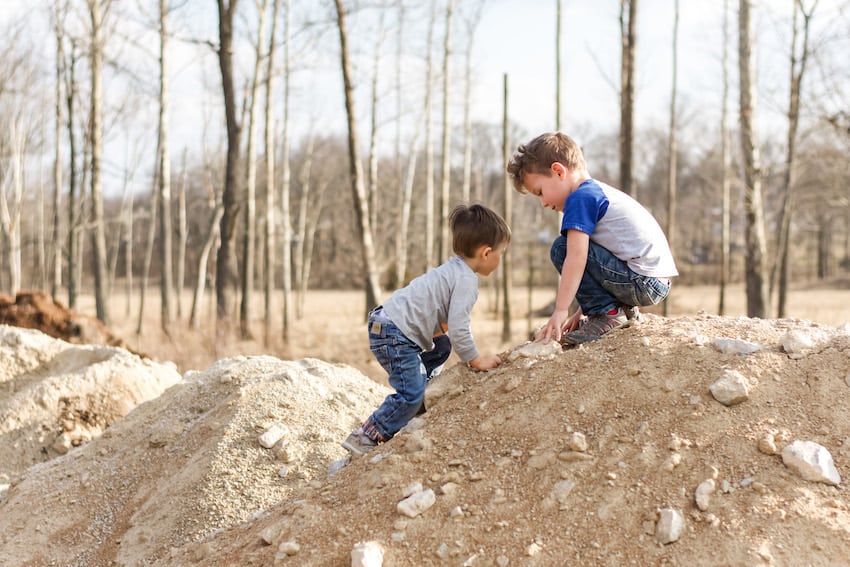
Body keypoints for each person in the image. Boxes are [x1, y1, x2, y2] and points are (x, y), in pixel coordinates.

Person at [341, 203, 511, 455]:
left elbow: (437, 317)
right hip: (395, 334)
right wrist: (474, 360)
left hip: (387, 323)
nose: (501, 259)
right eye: (502, 253)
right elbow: (459, 326)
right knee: (410, 393)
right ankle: (367, 434)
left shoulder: (452, 268)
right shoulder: (466, 280)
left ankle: (425, 386)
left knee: (442, 344)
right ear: (486, 253)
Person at [506, 131, 678, 345]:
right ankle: (612, 313)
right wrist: (584, 309)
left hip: (642, 281)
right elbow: (598, 263)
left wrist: (560, 310)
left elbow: (577, 257)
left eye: (540, 191)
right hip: (653, 281)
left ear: (558, 171)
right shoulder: (595, 191)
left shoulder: (580, 198)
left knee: (562, 248)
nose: (543, 203)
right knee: (573, 247)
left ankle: (609, 316)